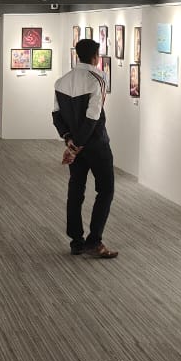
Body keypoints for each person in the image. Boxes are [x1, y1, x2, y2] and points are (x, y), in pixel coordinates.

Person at [52, 38, 118, 258]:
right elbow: (93, 117)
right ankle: (94, 241)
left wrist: (69, 140)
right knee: (106, 190)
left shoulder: (61, 81)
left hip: (75, 144)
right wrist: (77, 146)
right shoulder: (98, 79)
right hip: (97, 145)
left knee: (76, 191)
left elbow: (56, 115)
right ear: (95, 57)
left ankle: (76, 241)